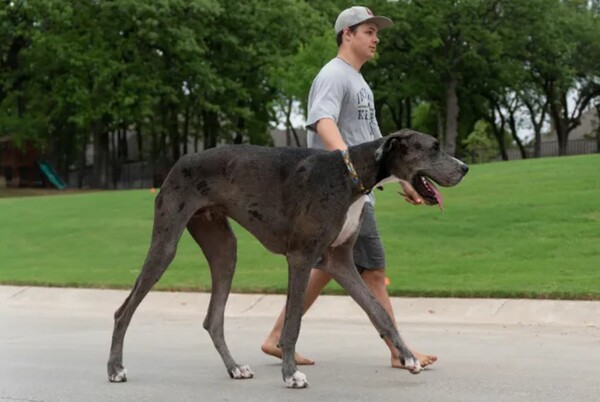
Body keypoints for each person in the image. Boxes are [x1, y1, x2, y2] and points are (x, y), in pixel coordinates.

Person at [261, 6, 437, 369]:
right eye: (369, 32)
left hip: (354, 190)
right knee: (372, 270)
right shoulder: (334, 75)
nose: (376, 39)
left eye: (377, 33)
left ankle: (277, 336)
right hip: (341, 191)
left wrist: (403, 179)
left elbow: (376, 145)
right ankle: (398, 351)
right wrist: (348, 168)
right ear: (347, 35)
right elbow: (322, 121)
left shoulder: (360, 82)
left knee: (328, 266)